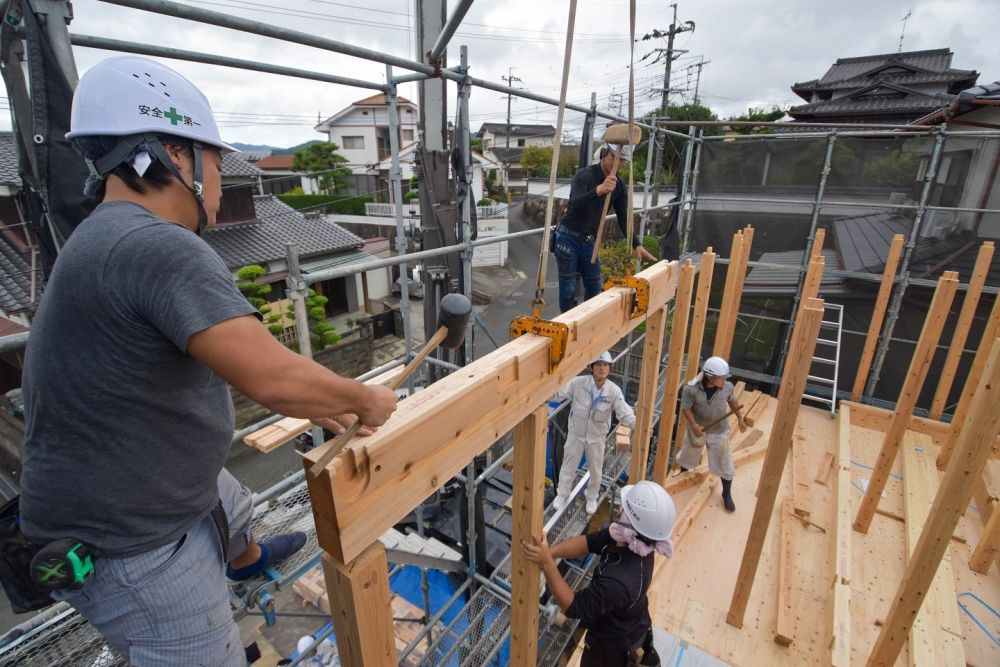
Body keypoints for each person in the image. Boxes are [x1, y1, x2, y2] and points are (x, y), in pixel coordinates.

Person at [18, 56, 397, 665]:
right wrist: (363, 400)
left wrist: (325, 405)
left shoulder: (102, 235)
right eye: (217, 161)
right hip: (135, 546)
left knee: (232, 499)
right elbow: (271, 376)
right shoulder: (157, 245)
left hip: (128, 487)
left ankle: (243, 559)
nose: (221, 181)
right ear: (175, 156)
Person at [522, 480, 676, 667]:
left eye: (624, 508)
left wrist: (546, 563)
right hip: (625, 622)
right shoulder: (629, 539)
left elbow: (573, 606)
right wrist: (550, 552)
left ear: (629, 522)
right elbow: (589, 542)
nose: (619, 506)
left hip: (611, 650)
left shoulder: (620, 581)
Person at [553, 143, 657, 313]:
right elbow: (575, 204)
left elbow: (623, 218)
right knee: (568, 288)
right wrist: (599, 190)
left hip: (589, 241)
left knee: (594, 286)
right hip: (568, 237)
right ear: (604, 153)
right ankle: (568, 325)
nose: (619, 163)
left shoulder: (619, 186)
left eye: (623, 160)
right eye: (614, 158)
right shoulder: (585, 175)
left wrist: (636, 244)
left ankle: (588, 321)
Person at [552, 352, 636, 515]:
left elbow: (624, 413)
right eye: (598, 365)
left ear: (610, 369)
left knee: (596, 471)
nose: (602, 368)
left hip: (597, 439)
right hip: (576, 435)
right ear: (592, 368)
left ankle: (591, 497)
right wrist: (544, 391)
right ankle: (562, 495)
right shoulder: (578, 383)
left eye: (605, 365)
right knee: (568, 467)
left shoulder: (613, 391)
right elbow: (558, 393)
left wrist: (639, 424)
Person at [673, 356, 747, 512]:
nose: (725, 380)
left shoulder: (727, 388)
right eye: (722, 377)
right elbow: (686, 408)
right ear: (710, 376)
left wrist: (740, 418)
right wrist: (693, 425)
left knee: (724, 461)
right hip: (698, 428)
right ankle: (682, 474)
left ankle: (726, 492)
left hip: (719, 430)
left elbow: (732, 401)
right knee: (688, 452)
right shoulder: (690, 389)